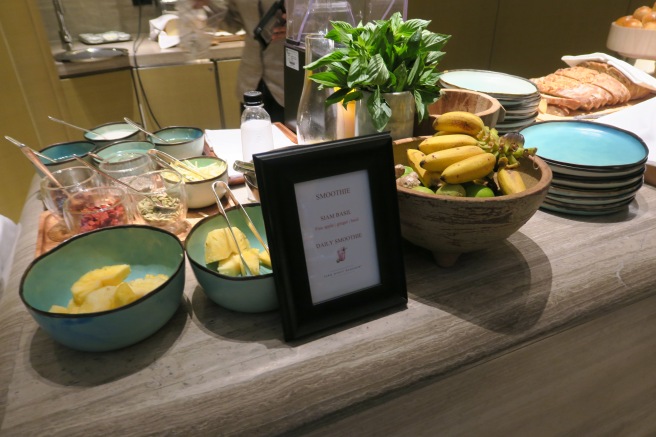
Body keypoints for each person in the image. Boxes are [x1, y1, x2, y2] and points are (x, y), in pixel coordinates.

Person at [191, 0, 286, 123]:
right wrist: (208, 4)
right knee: (252, 138)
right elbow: (233, 24)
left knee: (295, 140)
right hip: (250, 78)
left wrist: (300, 27)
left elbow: (317, 19)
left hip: (289, 78)